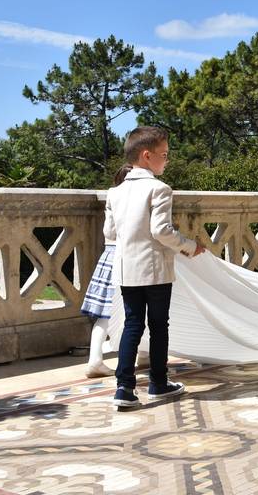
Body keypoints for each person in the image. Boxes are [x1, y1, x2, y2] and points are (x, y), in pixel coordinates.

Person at [104, 126, 205, 409]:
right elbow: (161, 230)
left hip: (126, 270)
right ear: (147, 156)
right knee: (158, 326)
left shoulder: (114, 192)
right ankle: (158, 383)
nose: (167, 160)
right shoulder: (160, 189)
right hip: (155, 269)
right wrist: (188, 245)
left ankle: (124, 388)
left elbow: (109, 232)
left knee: (132, 325)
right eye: (164, 154)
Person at [80, 165, 149, 378]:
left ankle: (95, 359)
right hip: (128, 259)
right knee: (141, 308)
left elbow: (108, 231)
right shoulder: (135, 201)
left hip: (108, 258)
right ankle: (144, 354)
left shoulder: (113, 198)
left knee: (104, 315)